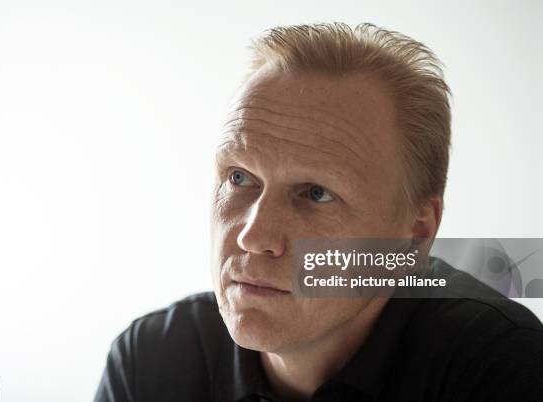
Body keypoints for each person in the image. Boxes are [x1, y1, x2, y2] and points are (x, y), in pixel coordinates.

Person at [94, 22, 543, 401]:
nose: (254, 236)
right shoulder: (152, 361)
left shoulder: (498, 366)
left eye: (315, 193)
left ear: (415, 234)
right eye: (238, 178)